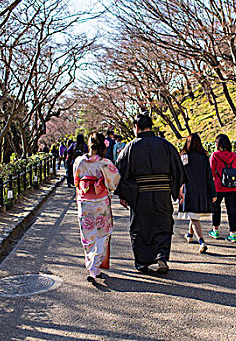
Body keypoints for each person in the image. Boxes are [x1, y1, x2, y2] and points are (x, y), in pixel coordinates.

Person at [115, 113, 187, 274]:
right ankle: (161, 256)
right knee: (163, 224)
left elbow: (120, 171)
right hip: (162, 193)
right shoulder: (165, 145)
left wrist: (123, 195)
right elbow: (178, 168)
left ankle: (143, 262)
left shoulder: (130, 147)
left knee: (140, 227)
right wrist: (179, 189)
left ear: (136, 128)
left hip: (140, 194)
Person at [74, 132, 120, 283]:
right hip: (100, 201)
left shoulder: (79, 161)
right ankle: (94, 266)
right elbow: (114, 183)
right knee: (102, 233)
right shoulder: (105, 164)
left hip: (84, 201)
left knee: (87, 234)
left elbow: (76, 180)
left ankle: (93, 266)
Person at [178, 133, 217, 253]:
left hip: (188, 191)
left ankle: (201, 241)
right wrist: (213, 193)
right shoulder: (204, 158)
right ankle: (189, 235)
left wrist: (178, 191)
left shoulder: (184, 157)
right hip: (202, 191)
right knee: (193, 214)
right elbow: (209, 177)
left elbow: (180, 176)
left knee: (194, 217)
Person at [209, 134, 236, 243]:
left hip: (218, 187)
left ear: (218, 145)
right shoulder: (233, 156)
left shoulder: (215, 156)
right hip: (232, 187)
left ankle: (215, 230)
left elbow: (211, 172)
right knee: (232, 210)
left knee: (216, 208)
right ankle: (232, 234)